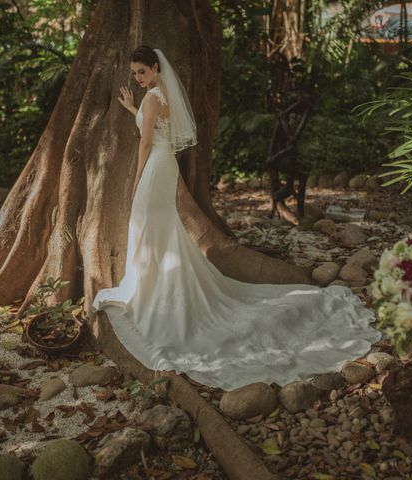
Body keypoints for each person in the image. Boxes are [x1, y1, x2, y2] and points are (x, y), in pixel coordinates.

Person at [92, 46, 381, 391]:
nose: (137, 78)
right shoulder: (161, 93)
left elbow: (144, 144)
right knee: (158, 228)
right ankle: (152, 284)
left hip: (154, 167)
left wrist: (137, 178)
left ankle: (151, 290)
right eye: (134, 73)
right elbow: (155, 129)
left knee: (147, 225)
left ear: (155, 67)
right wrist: (130, 109)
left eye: (142, 71)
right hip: (165, 165)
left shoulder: (153, 97)